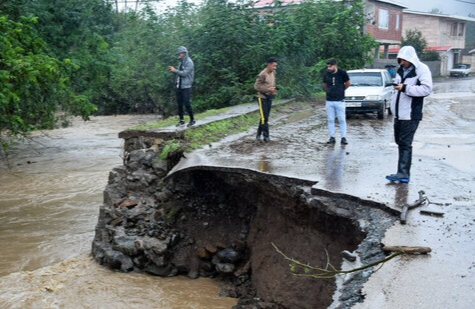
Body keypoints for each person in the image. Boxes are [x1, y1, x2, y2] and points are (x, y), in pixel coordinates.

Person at [386, 46, 433, 183]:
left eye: (403, 60)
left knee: (405, 143)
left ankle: (403, 173)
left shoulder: (421, 70)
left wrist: (405, 88)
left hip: (411, 113)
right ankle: (402, 172)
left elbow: (426, 89)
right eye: (399, 60)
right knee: (399, 141)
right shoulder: (401, 70)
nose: (401, 63)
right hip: (399, 114)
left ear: (410, 59)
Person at [322, 58, 351, 145]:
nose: (329, 68)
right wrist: (328, 91)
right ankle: (332, 137)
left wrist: (341, 90)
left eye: (330, 66)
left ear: (335, 65)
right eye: (328, 67)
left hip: (340, 100)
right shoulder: (327, 74)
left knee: (342, 119)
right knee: (330, 119)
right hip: (329, 100)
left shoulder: (342, 73)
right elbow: (324, 84)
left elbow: (348, 83)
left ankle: (343, 137)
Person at [168, 46, 195, 127]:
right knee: (179, 103)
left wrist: (175, 70)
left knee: (187, 103)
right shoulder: (181, 62)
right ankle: (181, 120)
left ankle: (192, 119)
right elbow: (179, 73)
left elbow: (184, 73)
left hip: (186, 86)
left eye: (179, 53)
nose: (178, 55)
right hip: (179, 86)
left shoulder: (189, 62)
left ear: (184, 53)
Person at [254, 57, 278, 142]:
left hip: (269, 97)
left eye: (276, 66)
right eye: (274, 66)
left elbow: (273, 83)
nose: (275, 68)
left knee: (265, 117)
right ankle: (266, 136)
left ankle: (258, 135)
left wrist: (273, 90)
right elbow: (256, 86)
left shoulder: (273, 73)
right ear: (269, 65)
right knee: (264, 118)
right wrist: (268, 89)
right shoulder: (262, 74)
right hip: (262, 97)